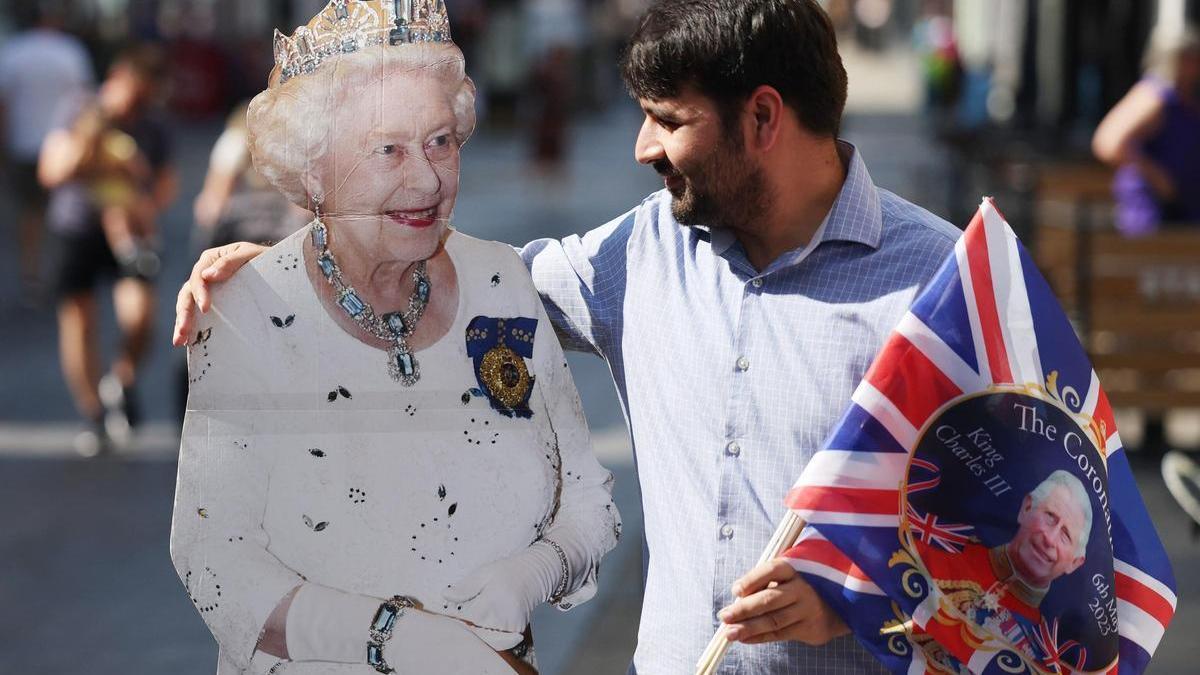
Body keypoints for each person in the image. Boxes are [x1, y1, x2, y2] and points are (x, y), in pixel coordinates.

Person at [173, 1, 961, 671]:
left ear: (762, 116)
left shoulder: (943, 287)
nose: (643, 148)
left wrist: (855, 598)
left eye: (669, 121)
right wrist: (315, 269)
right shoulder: (644, 251)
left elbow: (1025, 544)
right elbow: (479, 287)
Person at [168, 2, 619, 674]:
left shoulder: (500, 285)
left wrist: (533, 571)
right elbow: (212, 560)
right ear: (315, 169)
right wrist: (402, 639)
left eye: (441, 141)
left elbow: (587, 499)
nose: (429, 178)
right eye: (389, 150)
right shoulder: (247, 307)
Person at [39, 44, 176, 455]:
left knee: (140, 320)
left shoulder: (152, 126)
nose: (137, 104)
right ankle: (93, 413)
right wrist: (93, 132)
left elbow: (165, 187)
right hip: (77, 227)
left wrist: (139, 197)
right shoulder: (80, 111)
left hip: (131, 232)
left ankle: (122, 379)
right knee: (79, 321)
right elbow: (53, 170)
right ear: (117, 80)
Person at [915, 470, 1093, 666]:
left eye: (1065, 535)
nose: (1050, 539)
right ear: (1026, 508)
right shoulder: (944, 548)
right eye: (1050, 516)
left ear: (1075, 563)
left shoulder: (1042, 656)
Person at [0, 3, 93, 298]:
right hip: (64, 149)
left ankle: (32, 273)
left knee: (30, 214)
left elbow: (4, 106)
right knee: (63, 214)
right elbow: (86, 104)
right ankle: (56, 271)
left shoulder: (13, 51)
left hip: (24, 145)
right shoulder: (70, 51)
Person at [1093, 26, 1200, 237]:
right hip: (1153, 214)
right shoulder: (1154, 96)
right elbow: (1108, 142)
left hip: (1185, 212)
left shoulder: (1187, 96)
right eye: (1192, 58)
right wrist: (1156, 175)